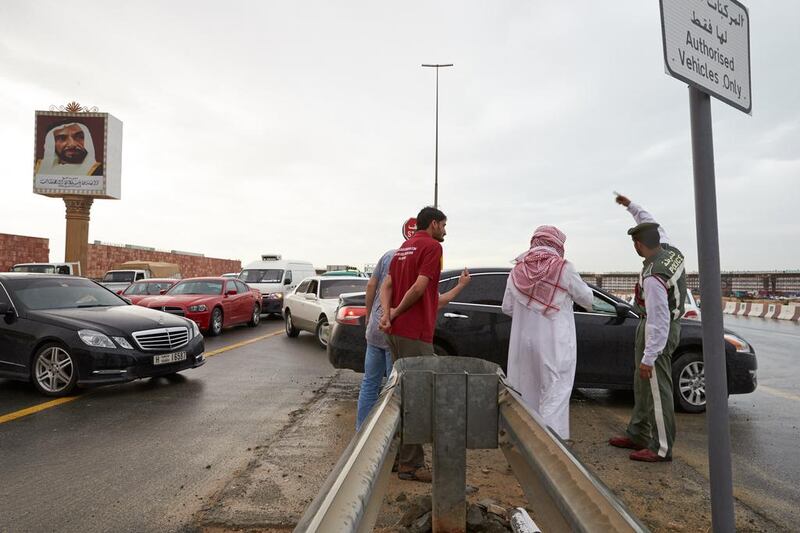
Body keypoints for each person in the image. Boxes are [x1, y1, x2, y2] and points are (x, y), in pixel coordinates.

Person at [378, 206, 470, 482]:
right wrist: (393, 313)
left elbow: (388, 287)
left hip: (396, 331)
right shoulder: (432, 248)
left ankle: (398, 458)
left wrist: (387, 314)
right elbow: (418, 289)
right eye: (443, 225)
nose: (445, 231)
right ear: (432, 224)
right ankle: (411, 465)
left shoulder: (403, 248)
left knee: (403, 394)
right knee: (419, 397)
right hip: (414, 334)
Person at [609, 194, 686, 462]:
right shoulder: (671, 250)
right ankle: (638, 433)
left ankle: (661, 447)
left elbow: (659, 319)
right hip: (654, 325)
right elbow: (649, 220)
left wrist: (650, 355)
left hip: (658, 331)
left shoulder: (654, 276)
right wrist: (631, 206)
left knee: (657, 389)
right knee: (641, 386)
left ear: (639, 245)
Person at [500, 225, 593, 441]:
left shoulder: (517, 270)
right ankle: (552, 450)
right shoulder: (563, 268)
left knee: (525, 393)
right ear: (557, 245)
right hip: (555, 343)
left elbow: (507, 308)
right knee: (555, 392)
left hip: (523, 343)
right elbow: (587, 300)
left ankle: (525, 447)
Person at [355, 249, 396, 432]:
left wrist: (369, 315)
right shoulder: (410, 257)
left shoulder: (388, 255)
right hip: (392, 328)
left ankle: (362, 430)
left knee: (370, 383)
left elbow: (371, 286)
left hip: (375, 328)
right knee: (392, 388)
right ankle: (386, 434)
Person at [35, 121, 103, 176]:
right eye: (62, 138)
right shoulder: (37, 168)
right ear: (51, 143)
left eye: (80, 137)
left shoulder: (100, 171)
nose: (72, 144)